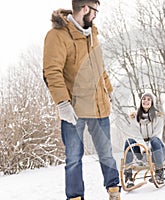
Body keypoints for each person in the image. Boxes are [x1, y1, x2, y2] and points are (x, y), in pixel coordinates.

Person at [43, 1, 121, 199]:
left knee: (106, 154)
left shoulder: (92, 34)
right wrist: (62, 103)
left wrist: (109, 92)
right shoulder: (57, 35)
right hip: (74, 110)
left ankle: (114, 191)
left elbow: (100, 69)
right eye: (95, 10)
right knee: (74, 159)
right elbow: (52, 72)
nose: (96, 15)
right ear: (85, 8)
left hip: (98, 106)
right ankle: (75, 197)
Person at [123, 93, 165, 188]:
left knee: (154, 140)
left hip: (157, 151)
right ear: (141, 101)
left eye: (149, 99)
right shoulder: (134, 118)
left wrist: (148, 149)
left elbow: (157, 135)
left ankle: (159, 172)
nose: (146, 101)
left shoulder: (158, 117)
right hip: (142, 152)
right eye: (144, 99)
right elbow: (137, 136)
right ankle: (128, 175)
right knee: (129, 141)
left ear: (152, 103)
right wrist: (144, 150)